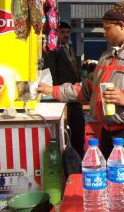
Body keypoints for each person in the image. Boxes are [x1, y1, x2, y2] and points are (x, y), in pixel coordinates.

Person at [38, 1, 124, 162]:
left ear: (121, 25)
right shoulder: (106, 57)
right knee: (111, 183)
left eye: (107, 28)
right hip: (108, 133)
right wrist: (51, 90)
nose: (104, 34)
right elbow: (86, 89)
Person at [44, 21, 85, 157]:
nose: (66, 35)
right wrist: (55, 93)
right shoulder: (54, 51)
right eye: (63, 32)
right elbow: (53, 73)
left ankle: (78, 158)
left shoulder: (70, 48)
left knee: (78, 131)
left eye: (68, 32)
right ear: (57, 34)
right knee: (68, 133)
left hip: (75, 96)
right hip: (63, 97)